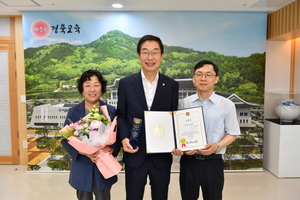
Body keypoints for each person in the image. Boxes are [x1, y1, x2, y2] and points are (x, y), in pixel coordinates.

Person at [117, 35, 179, 200]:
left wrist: (177, 142)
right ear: (139, 56)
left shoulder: (172, 85)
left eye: (155, 52)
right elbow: (121, 115)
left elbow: (174, 118)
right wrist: (123, 139)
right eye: (145, 52)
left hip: (161, 156)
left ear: (162, 56)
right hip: (134, 153)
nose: (150, 57)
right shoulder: (126, 83)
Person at [172, 60, 241, 200]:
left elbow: (232, 133)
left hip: (213, 162)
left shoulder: (227, 105)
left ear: (216, 79)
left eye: (208, 75)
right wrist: (179, 148)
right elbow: (177, 132)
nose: (203, 78)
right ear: (193, 79)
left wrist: (217, 146)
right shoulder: (184, 104)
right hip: (189, 162)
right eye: (199, 74)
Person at [61, 69, 120, 200]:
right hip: (82, 166)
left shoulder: (110, 110)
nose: (92, 89)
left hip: (104, 164)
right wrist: (83, 152)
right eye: (88, 85)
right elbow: (65, 139)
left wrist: (112, 148)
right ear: (82, 89)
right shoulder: (73, 112)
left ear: (102, 88)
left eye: (96, 85)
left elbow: (118, 135)